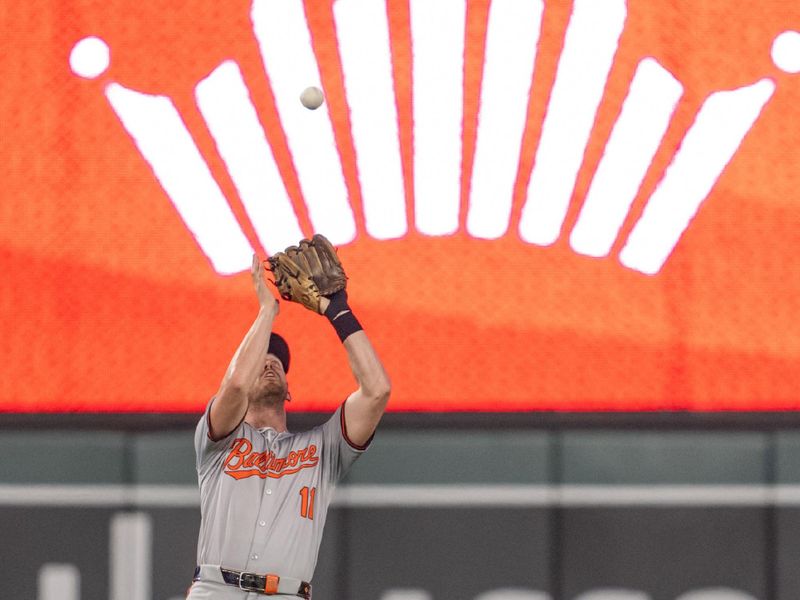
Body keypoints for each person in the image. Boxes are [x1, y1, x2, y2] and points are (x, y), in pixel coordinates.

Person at [187, 254, 391, 599]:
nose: (269, 363)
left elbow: (377, 390)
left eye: (277, 362)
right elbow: (235, 385)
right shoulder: (217, 441)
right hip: (215, 590)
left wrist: (337, 311)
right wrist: (267, 312)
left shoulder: (323, 450)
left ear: (289, 388)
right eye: (261, 360)